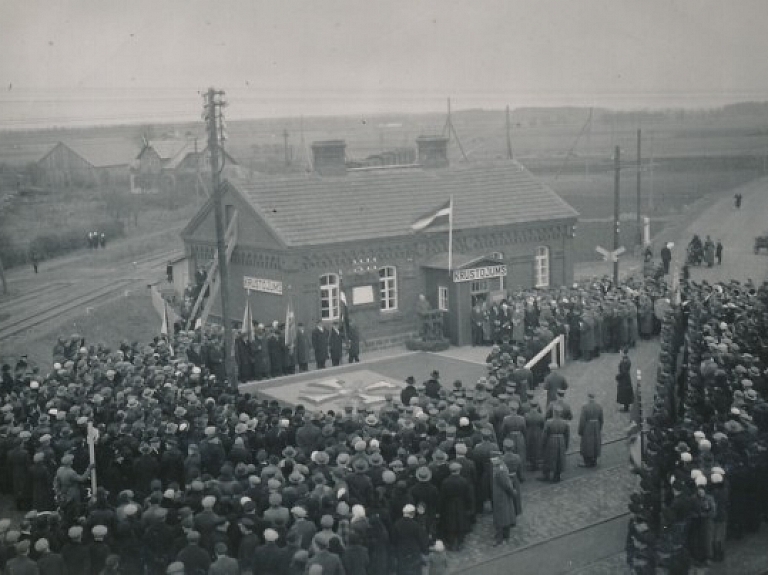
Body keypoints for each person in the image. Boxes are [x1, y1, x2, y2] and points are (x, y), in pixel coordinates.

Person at [490, 454, 517, 546]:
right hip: (502, 496)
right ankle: (505, 535)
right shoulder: (500, 467)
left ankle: (500, 538)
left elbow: (507, 485)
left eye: (494, 459)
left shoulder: (500, 471)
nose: (492, 461)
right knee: (505, 515)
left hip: (501, 497)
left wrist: (513, 492)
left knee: (501, 517)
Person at [539, 406, 569, 483]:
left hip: (551, 441)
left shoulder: (549, 422)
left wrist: (542, 444)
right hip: (561, 441)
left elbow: (544, 435)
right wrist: (566, 445)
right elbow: (567, 435)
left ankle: (546, 475)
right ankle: (557, 475)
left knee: (548, 457)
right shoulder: (565, 422)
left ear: (553, 413)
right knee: (559, 458)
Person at [577, 393, 603, 468]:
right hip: (596, 426)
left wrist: (580, 431)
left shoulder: (585, 407)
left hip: (588, 427)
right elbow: (601, 420)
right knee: (595, 443)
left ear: (588, 398)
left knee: (587, 443)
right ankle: (594, 460)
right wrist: (599, 428)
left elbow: (582, 421)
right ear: (594, 398)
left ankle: (587, 462)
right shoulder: (599, 406)